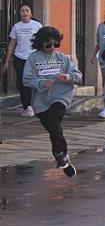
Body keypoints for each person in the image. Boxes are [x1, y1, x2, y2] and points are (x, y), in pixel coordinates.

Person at [22, 26, 81, 177]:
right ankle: (62, 156)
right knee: (53, 129)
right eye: (49, 45)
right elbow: (26, 79)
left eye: (56, 44)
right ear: (41, 43)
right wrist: (42, 83)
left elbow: (78, 76)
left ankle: (60, 155)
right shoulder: (33, 58)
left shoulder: (62, 58)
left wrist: (68, 77)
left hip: (61, 96)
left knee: (55, 121)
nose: (52, 48)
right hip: (41, 101)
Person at [3, 4, 42, 117]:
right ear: (19, 13)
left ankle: (37, 104)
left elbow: (42, 41)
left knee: (34, 82)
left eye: (27, 11)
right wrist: (6, 61)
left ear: (31, 13)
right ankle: (27, 107)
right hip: (19, 57)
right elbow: (12, 44)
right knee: (22, 82)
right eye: (22, 11)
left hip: (33, 58)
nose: (24, 13)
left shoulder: (37, 25)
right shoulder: (16, 27)